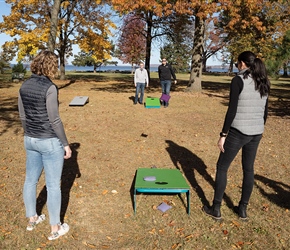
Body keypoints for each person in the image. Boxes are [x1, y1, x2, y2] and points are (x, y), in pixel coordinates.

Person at [202, 51, 270, 221]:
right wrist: (259, 126)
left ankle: (216, 208)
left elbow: (231, 110)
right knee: (248, 169)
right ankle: (243, 209)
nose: (236, 65)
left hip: (238, 131)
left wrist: (223, 134)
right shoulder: (264, 81)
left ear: (242, 63)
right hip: (256, 132)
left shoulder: (238, 80)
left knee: (222, 167)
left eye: (237, 63)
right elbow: (265, 111)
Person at [18, 50, 72, 240]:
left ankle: (32, 217)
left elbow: (23, 116)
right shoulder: (50, 87)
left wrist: (29, 132)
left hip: (30, 139)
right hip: (49, 142)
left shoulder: (24, 86)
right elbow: (54, 120)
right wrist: (65, 144)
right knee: (53, 186)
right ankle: (55, 228)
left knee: (30, 180)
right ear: (51, 66)